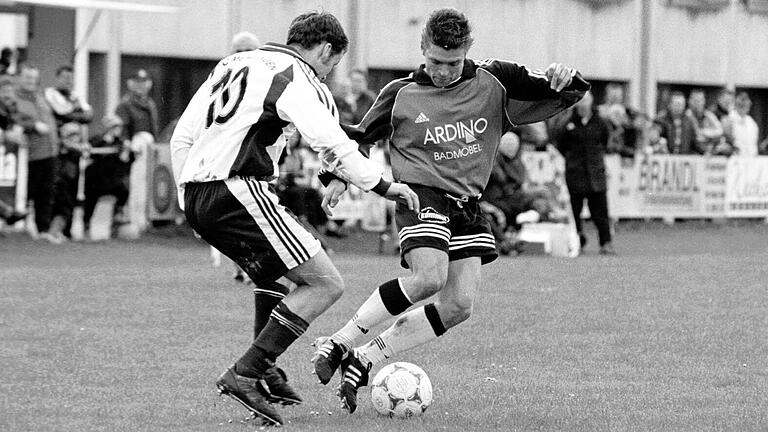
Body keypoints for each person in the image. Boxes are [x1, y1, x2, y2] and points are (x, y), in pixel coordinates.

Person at [312, 7, 588, 414]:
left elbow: (562, 91)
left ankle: (365, 358)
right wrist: (339, 177)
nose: (443, 71)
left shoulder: (497, 80)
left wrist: (564, 78)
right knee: (429, 278)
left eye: (453, 63)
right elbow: (358, 139)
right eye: (436, 62)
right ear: (422, 48)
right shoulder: (400, 93)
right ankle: (339, 340)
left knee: (459, 306)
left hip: (467, 204)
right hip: (420, 195)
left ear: (468, 51)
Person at [170, 11, 419, 426]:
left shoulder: (234, 63)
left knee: (274, 275)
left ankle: (263, 370)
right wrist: (381, 184)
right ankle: (246, 373)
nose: (329, 73)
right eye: (333, 64)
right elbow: (330, 139)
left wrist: (188, 200)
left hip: (198, 191)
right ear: (325, 50)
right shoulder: (296, 76)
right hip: (237, 187)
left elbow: (183, 134)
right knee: (325, 283)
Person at [552, 91, 614, 254]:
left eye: (586, 100)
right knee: (575, 211)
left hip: (595, 174)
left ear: (591, 101)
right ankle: (577, 240)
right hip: (575, 174)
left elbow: (606, 141)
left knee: (600, 212)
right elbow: (560, 144)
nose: (583, 103)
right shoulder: (567, 123)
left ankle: (605, 242)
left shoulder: (601, 122)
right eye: (581, 100)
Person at [15, 64, 60, 242]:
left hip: (49, 153)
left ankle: (43, 230)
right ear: (20, 77)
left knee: (46, 193)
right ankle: (21, 226)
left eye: (33, 78)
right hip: (29, 156)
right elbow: (11, 119)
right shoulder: (13, 99)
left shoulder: (40, 97)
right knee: (27, 192)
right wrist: (32, 126)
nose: (31, 81)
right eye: (27, 77)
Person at [83, 115, 134, 238]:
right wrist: (104, 142)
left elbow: (127, 160)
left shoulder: (122, 142)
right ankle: (86, 225)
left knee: (123, 191)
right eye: (115, 127)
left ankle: (116, 221)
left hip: (113, 180)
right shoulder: (97, 140)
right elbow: (89, 153)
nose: (118, 130)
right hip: (96, 180)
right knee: (90, 199)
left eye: (119, 127)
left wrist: (127, 151)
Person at [115, 69, 159, 139]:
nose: (141, 86)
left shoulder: (150, 103)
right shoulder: (125, 103)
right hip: (132, 144)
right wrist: (125, 141)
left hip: (149, 144)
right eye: (137, 82)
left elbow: (154, 127)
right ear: (130, 84)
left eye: (143, 82)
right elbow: (122, 127)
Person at [685, 88, 725, 155]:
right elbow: (696, 136)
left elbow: (720, 131)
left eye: (700, 100)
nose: (697, 103)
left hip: (709, 149)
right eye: (695, 100)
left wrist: (704, 132)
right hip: (692, 151)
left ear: (704, 101)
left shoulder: (709, 115)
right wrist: (708, 134)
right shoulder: (686, 116)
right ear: (689, 101)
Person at [728, 91, 759, 157]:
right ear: (735, 104)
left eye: (746, 104)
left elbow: (753, 144)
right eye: (741, 104)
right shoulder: (729, 119)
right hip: (734, 159)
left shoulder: (751, 122)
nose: (743, 105)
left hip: (750, 159)